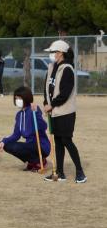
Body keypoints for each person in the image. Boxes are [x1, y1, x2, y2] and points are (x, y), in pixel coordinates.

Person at [43, 40, 87, 183]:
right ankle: (60, 173)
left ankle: (80, 172)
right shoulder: (51, 68)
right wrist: (46, 103)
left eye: (53, 52)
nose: (52, 55)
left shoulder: (67, 69)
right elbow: (47, 88)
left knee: (66, 140)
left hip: (65, 112)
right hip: (54, 112)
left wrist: (52, 104)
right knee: (58, 142)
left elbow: (65, 93)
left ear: (61, 53)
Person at [0, 86, 50, 171]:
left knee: (22, 147)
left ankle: (40, 161)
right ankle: (32, 161)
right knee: (8, 146)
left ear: (26, 98)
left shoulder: (34, 110)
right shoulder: (19, 115)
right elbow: (16, 135)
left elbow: (43, 127)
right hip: (29, 145)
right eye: (16, 98)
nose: (17, 101)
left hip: (41, 145)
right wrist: (4, 141)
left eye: (19, 98)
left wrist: (36, 114)